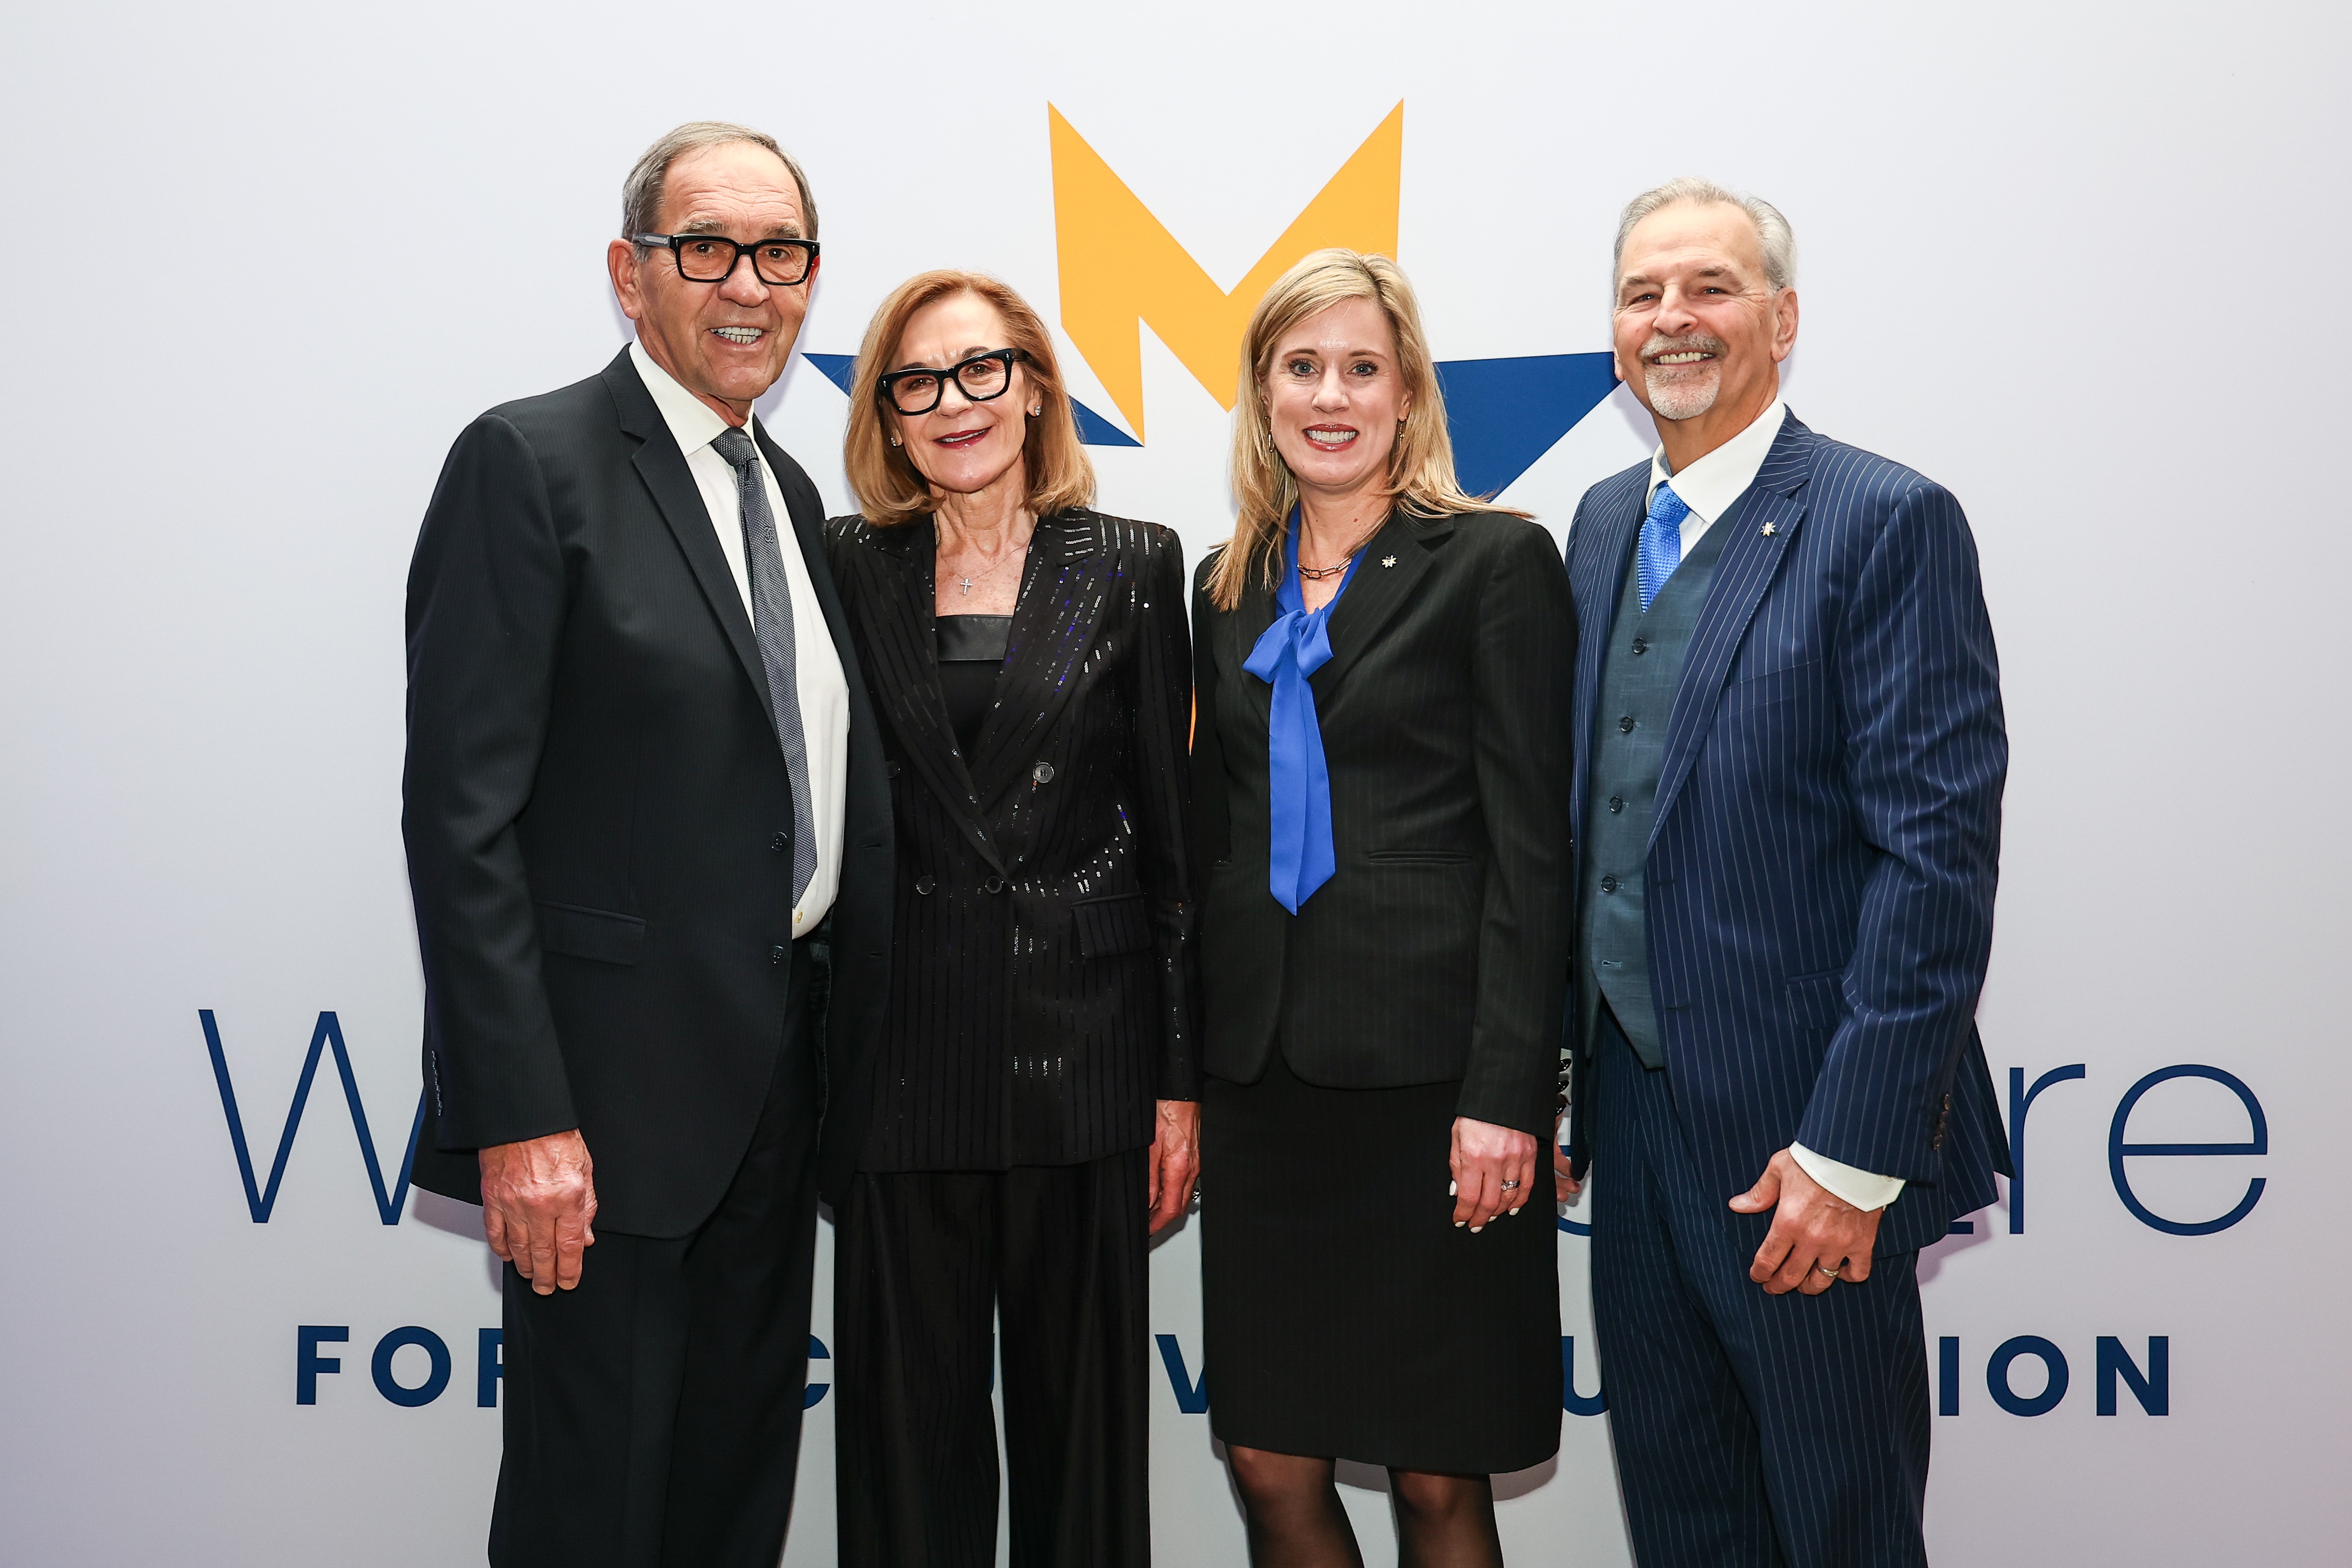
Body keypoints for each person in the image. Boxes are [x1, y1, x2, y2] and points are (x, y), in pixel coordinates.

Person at [400, 122, 891, 1568]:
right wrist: (522, 1118)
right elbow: (461, 819)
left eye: (782, 252)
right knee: (591, 1516)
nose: (750, 285)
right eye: (709, 249)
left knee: (729, 1503)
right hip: (598, 1127)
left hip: (769, 1104)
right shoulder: (528, 462)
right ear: (632, 273)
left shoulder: (793, 496)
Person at [1558, 177, 2010, 1568]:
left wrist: (1855, 1152)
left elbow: (1934, 858)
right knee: (1688, 1526)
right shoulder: (1591, 524)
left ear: (1783, 317)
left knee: (1840, 1531)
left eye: (1707, 287)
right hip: (1630, 1141)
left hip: (1803, 1151)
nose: (1671, 319)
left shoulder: (1882, 519)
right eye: (1642, 294)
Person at [1190, 249, 1575, 1568]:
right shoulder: (1223, 582)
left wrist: (1511, 1091)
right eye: (1302, 368)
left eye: (1361, 367)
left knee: (1432, 1475)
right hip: (1264, 1087)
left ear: (1406, 391)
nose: (1331, 395)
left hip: (1432, 1090)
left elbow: (1534, 850)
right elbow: (1212, 836)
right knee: (1267, 1457)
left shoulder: (1495, 563)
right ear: (1263, 392)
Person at [820, 271, 1199, 1568]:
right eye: (917, 382)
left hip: (1079, 1062)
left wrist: (1176, 1083)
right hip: (897, 1065)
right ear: (891, 416)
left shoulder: (1138, 564)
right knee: (899, 1457)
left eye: (981, 369)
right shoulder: (840, 565)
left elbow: (1171, 847)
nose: (954, 402)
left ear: (1035, 385)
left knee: (1080, 1457)